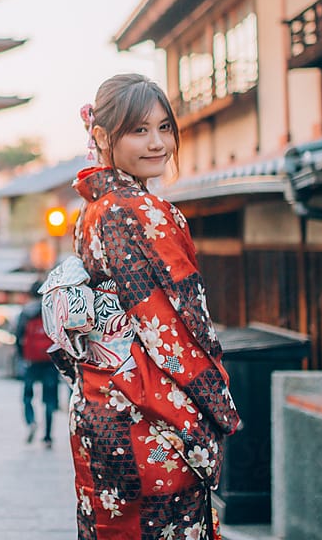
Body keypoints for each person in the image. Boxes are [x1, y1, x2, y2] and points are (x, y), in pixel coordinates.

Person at [47, 74, 241, 540]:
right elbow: (173, 324)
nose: (157, 143)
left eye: (164, 128)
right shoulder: (142, 210)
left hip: (100, 402)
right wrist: (214, 400)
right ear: (101, 137)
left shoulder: (95, 207)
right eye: (139, 130)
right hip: (148, 409)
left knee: (115, 526)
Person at [15, 284, 59, 448]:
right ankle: (47, 436)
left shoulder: (25, 312)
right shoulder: (52, 310)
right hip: (50, 360)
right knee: (49, 399)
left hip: (31, 360)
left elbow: (18, 335)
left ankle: (31, 421)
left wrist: (22, 356)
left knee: (27, 396)